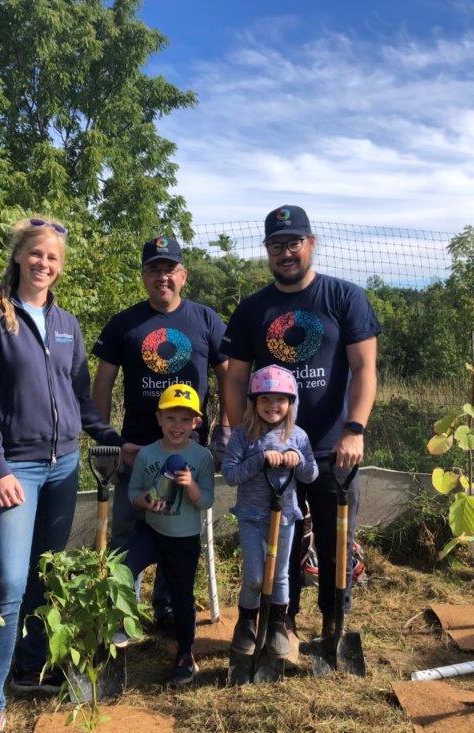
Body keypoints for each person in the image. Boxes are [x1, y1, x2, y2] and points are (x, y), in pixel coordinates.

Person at [0, 217, 136, 733]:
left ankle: (30, 664)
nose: (44, 263)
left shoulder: (67, 324)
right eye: (36, 254)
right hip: (16, 468)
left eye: (53, 258)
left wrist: (110, 437)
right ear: (19, 256)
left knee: (45, 568)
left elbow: (79, 397)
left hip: (64, 465)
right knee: (10, 580)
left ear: (60, 266)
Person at [220, 204, 380, 659]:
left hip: (333, 448)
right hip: (271, 451)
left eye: (293, 243)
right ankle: (280, 625)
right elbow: (234, 376)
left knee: (335, 544)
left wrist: (355, 429)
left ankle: (333, 623)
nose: (285, 253)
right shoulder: (254, 309)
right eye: (276, 245)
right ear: (267, 252)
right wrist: (240, 434)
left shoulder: (344, 298)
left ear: (312, 244)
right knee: (279, 540)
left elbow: (364, 367)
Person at [92, 236, 229, 629]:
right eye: (154, 269)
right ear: (143, 276)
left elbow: (227, 375)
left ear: (183, 275)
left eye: (169, 269)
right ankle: (121, 613)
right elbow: (102, 383)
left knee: (178, 534)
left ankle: (168, 609)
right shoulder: (125, 323)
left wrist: (229, 429)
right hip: (136, 450)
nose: (162, 277)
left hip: (187, 452)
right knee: (126, 531)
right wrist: (108, 441)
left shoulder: (205, 320)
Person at [221, 365, 318, 660]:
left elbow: (311, 474)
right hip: (251, 517)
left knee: (279, 576)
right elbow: (230, 474)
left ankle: (277, 623)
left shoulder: (298, 436)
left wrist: (297, 459)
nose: (272, 406)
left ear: (290, 403)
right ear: (253, 402)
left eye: (280, 400)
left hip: (286, 516)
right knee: (253, 576)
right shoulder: (242, 435)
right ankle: (247, 623)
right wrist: (260, 460)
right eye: (265, 399)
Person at [125, 383, 214, 685]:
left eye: (184, 420)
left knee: (181, 597)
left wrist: (189, 484)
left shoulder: (201, 457)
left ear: (195, 423)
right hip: (150, 530)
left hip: (184, 539)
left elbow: (206, 501)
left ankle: (185, 652)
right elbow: (133, 492)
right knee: (122, 569)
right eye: (171, 418)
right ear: (159, 419)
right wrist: (143, 500)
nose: (177, 426)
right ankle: (119, 628)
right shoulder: (148, 454)